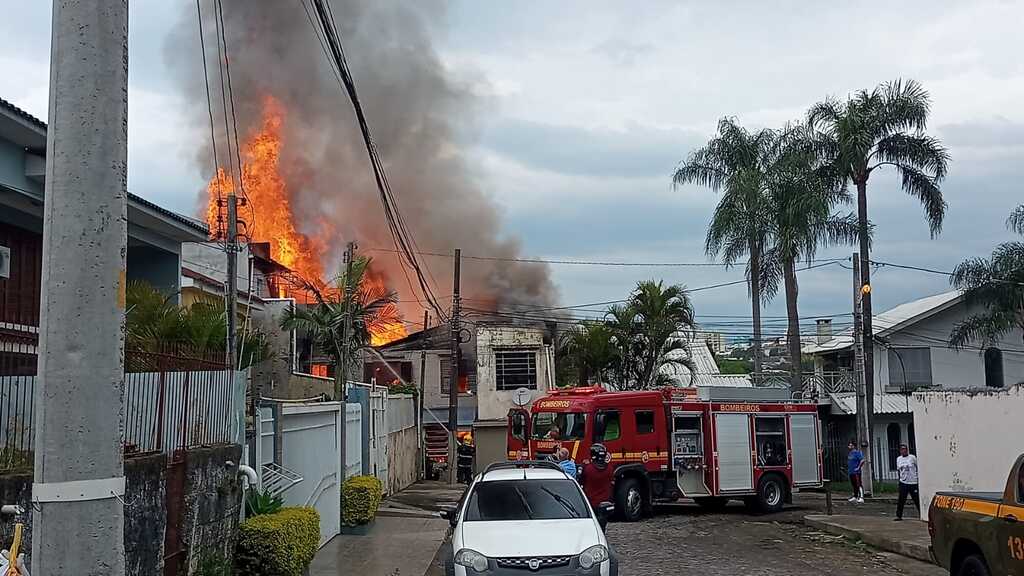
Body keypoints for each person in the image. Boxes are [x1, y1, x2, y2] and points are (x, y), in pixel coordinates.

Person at [580, 443, 615, 509]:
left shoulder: (588, 469)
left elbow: (581, 482)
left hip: (592, 503)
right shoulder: (610, 468)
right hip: (606, 501)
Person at [894, 444, 921, 520]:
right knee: (901, 499)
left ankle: (921, 513)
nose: (904, 451)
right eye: (902, 449)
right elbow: (899, 470)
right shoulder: (899, 459)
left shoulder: (912, 458)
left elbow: (917, 466)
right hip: (903, 482)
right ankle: (899, 515)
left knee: (916, 499)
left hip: (913, 482)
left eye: (905, 449)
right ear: (900, 451)